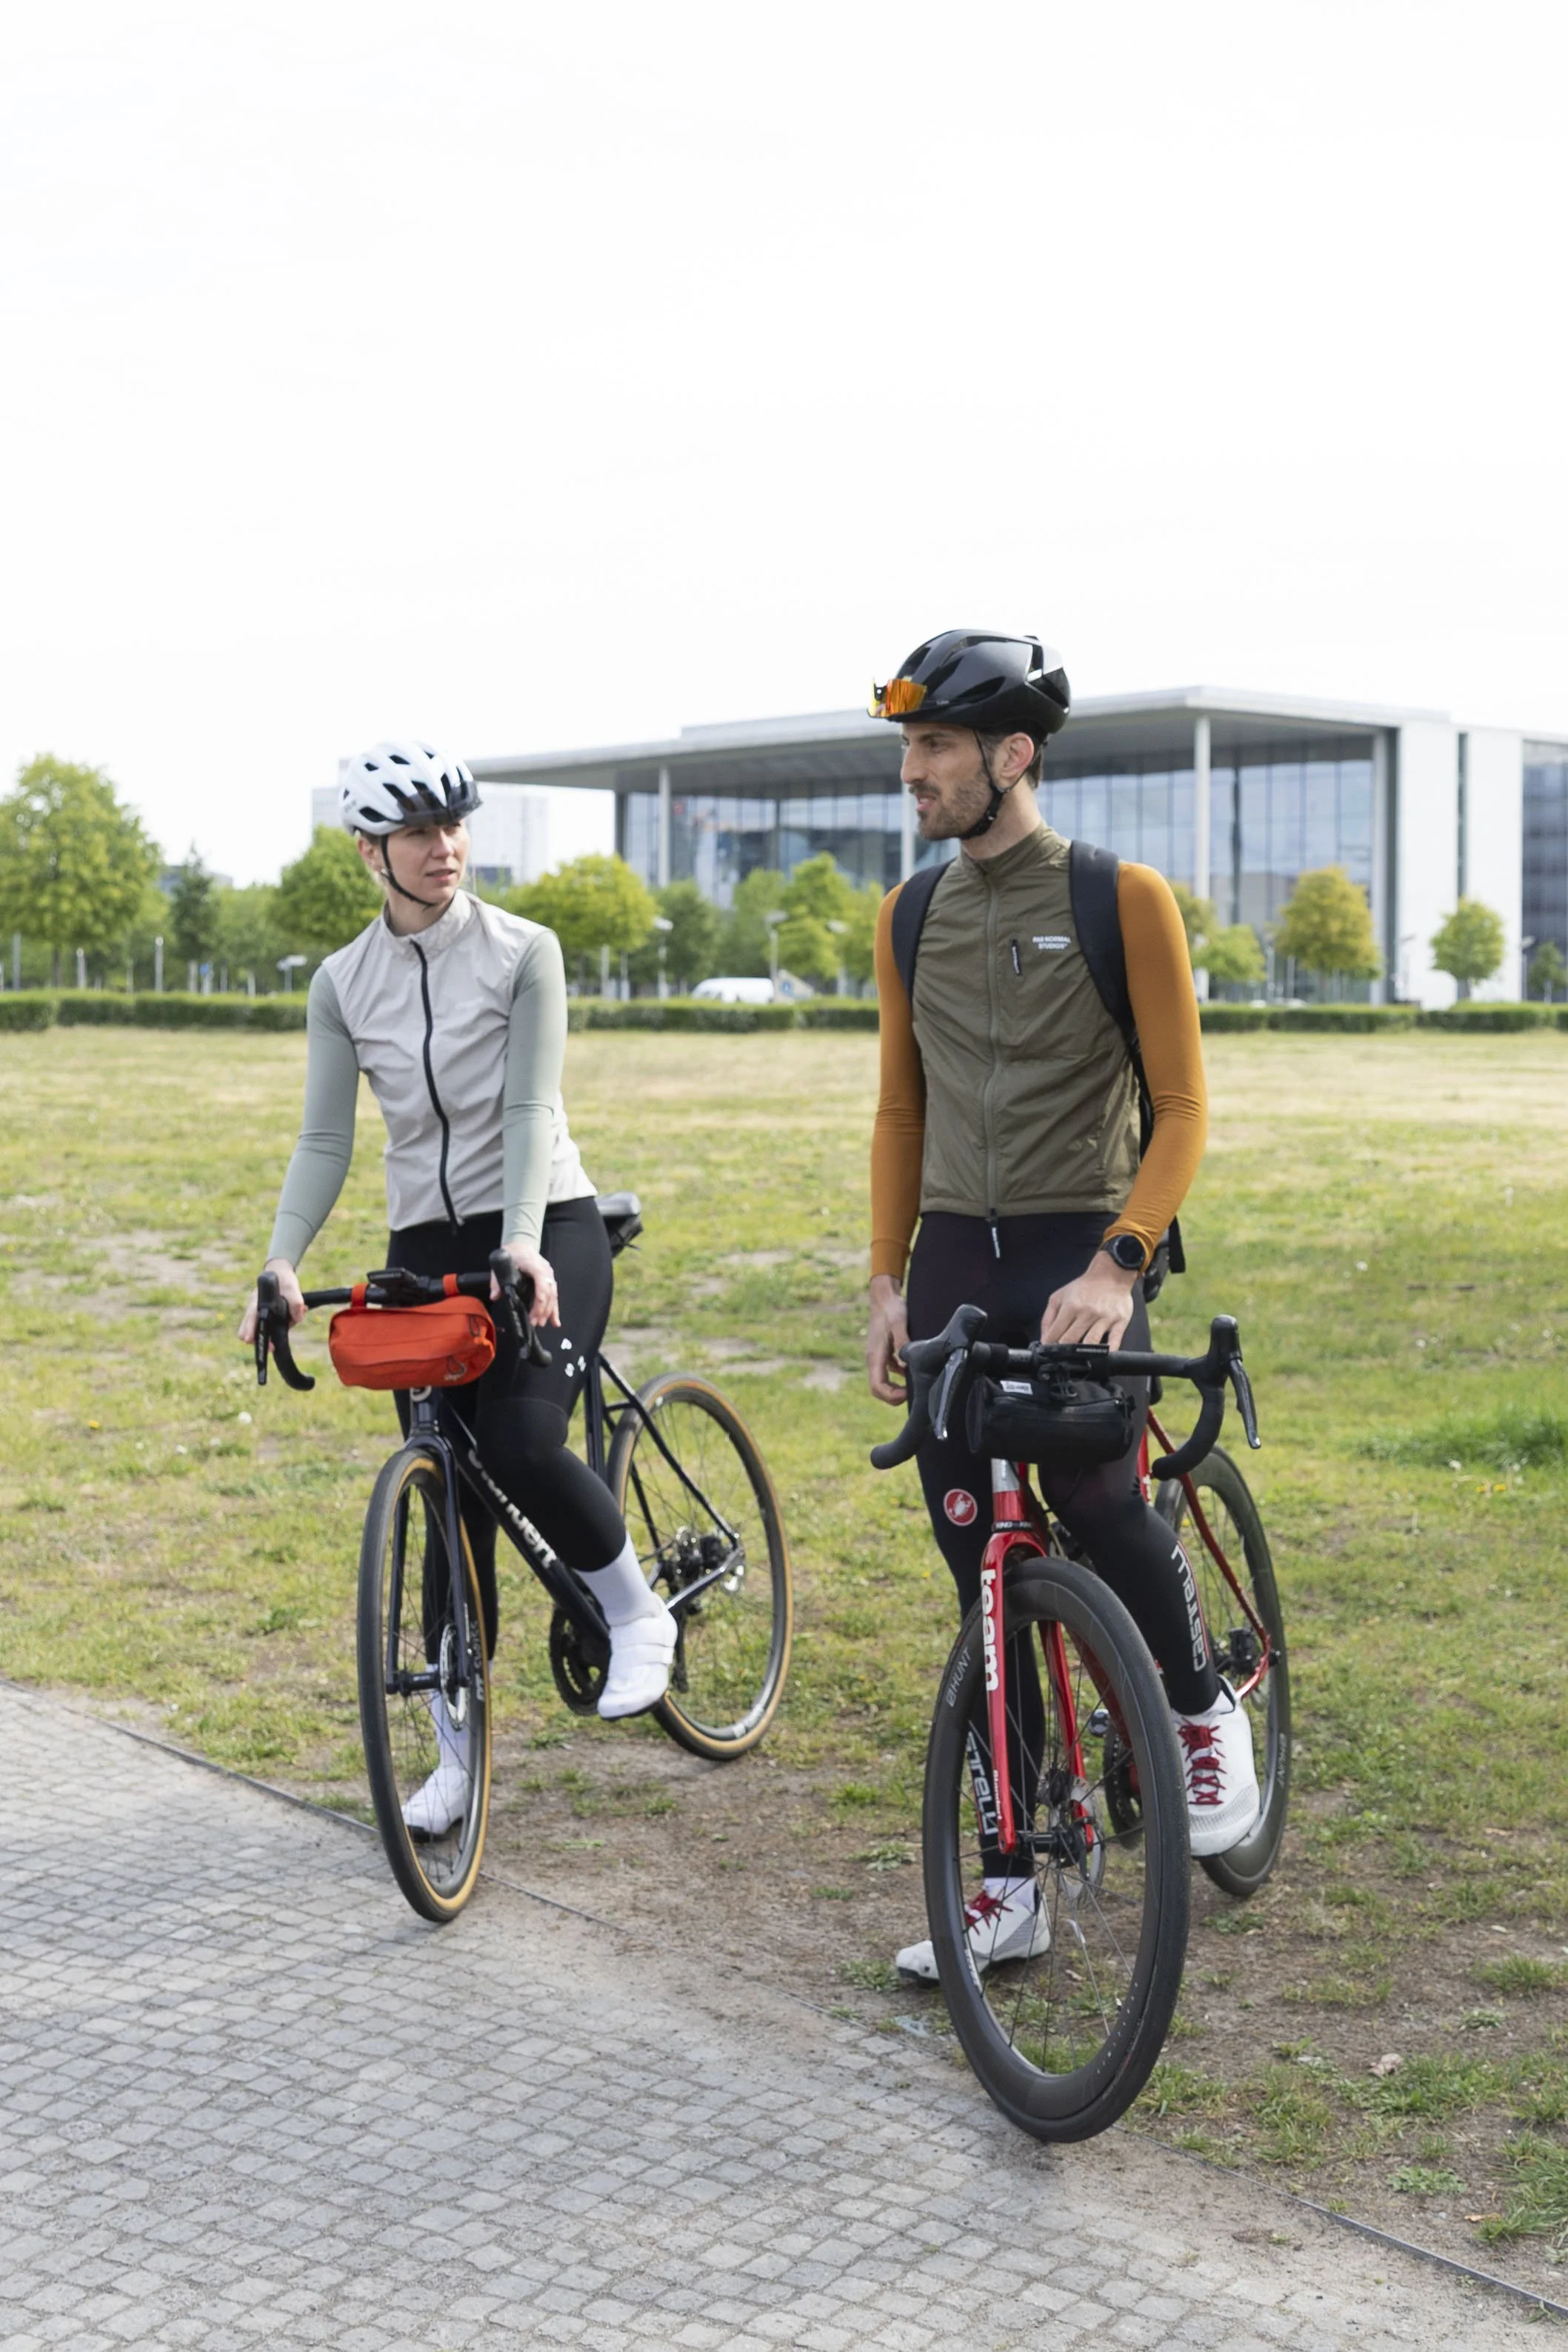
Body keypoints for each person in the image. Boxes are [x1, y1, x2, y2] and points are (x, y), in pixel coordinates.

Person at [863, 632, 1260, 1981]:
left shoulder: (1119, 897)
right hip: (953, 1269)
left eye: (935, 749)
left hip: (1079, 1250)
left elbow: (1187, 1103)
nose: (912, 773)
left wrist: (1121, 1262)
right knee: (979, 1572)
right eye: (909, 748)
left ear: (1012, 754)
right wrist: (881, 1276)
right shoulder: (908, 913)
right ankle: (1009, 1879)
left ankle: (1202, 1710)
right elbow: (900, 1108)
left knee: (1096, 1498)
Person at [238, 740, 675, 1833]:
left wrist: (523, 1240)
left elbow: (530, 1112)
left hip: (545, 1223)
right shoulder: (343, 983)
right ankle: (456, 1758)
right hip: (427, 1245)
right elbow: (325, 1138)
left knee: (523, 1446)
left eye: (456, 827)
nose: (447, 849)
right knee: (446, 1499)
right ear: (368, 852)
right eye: (421, 834)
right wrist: (284, 1258)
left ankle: (637, 1614)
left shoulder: (525, 950)